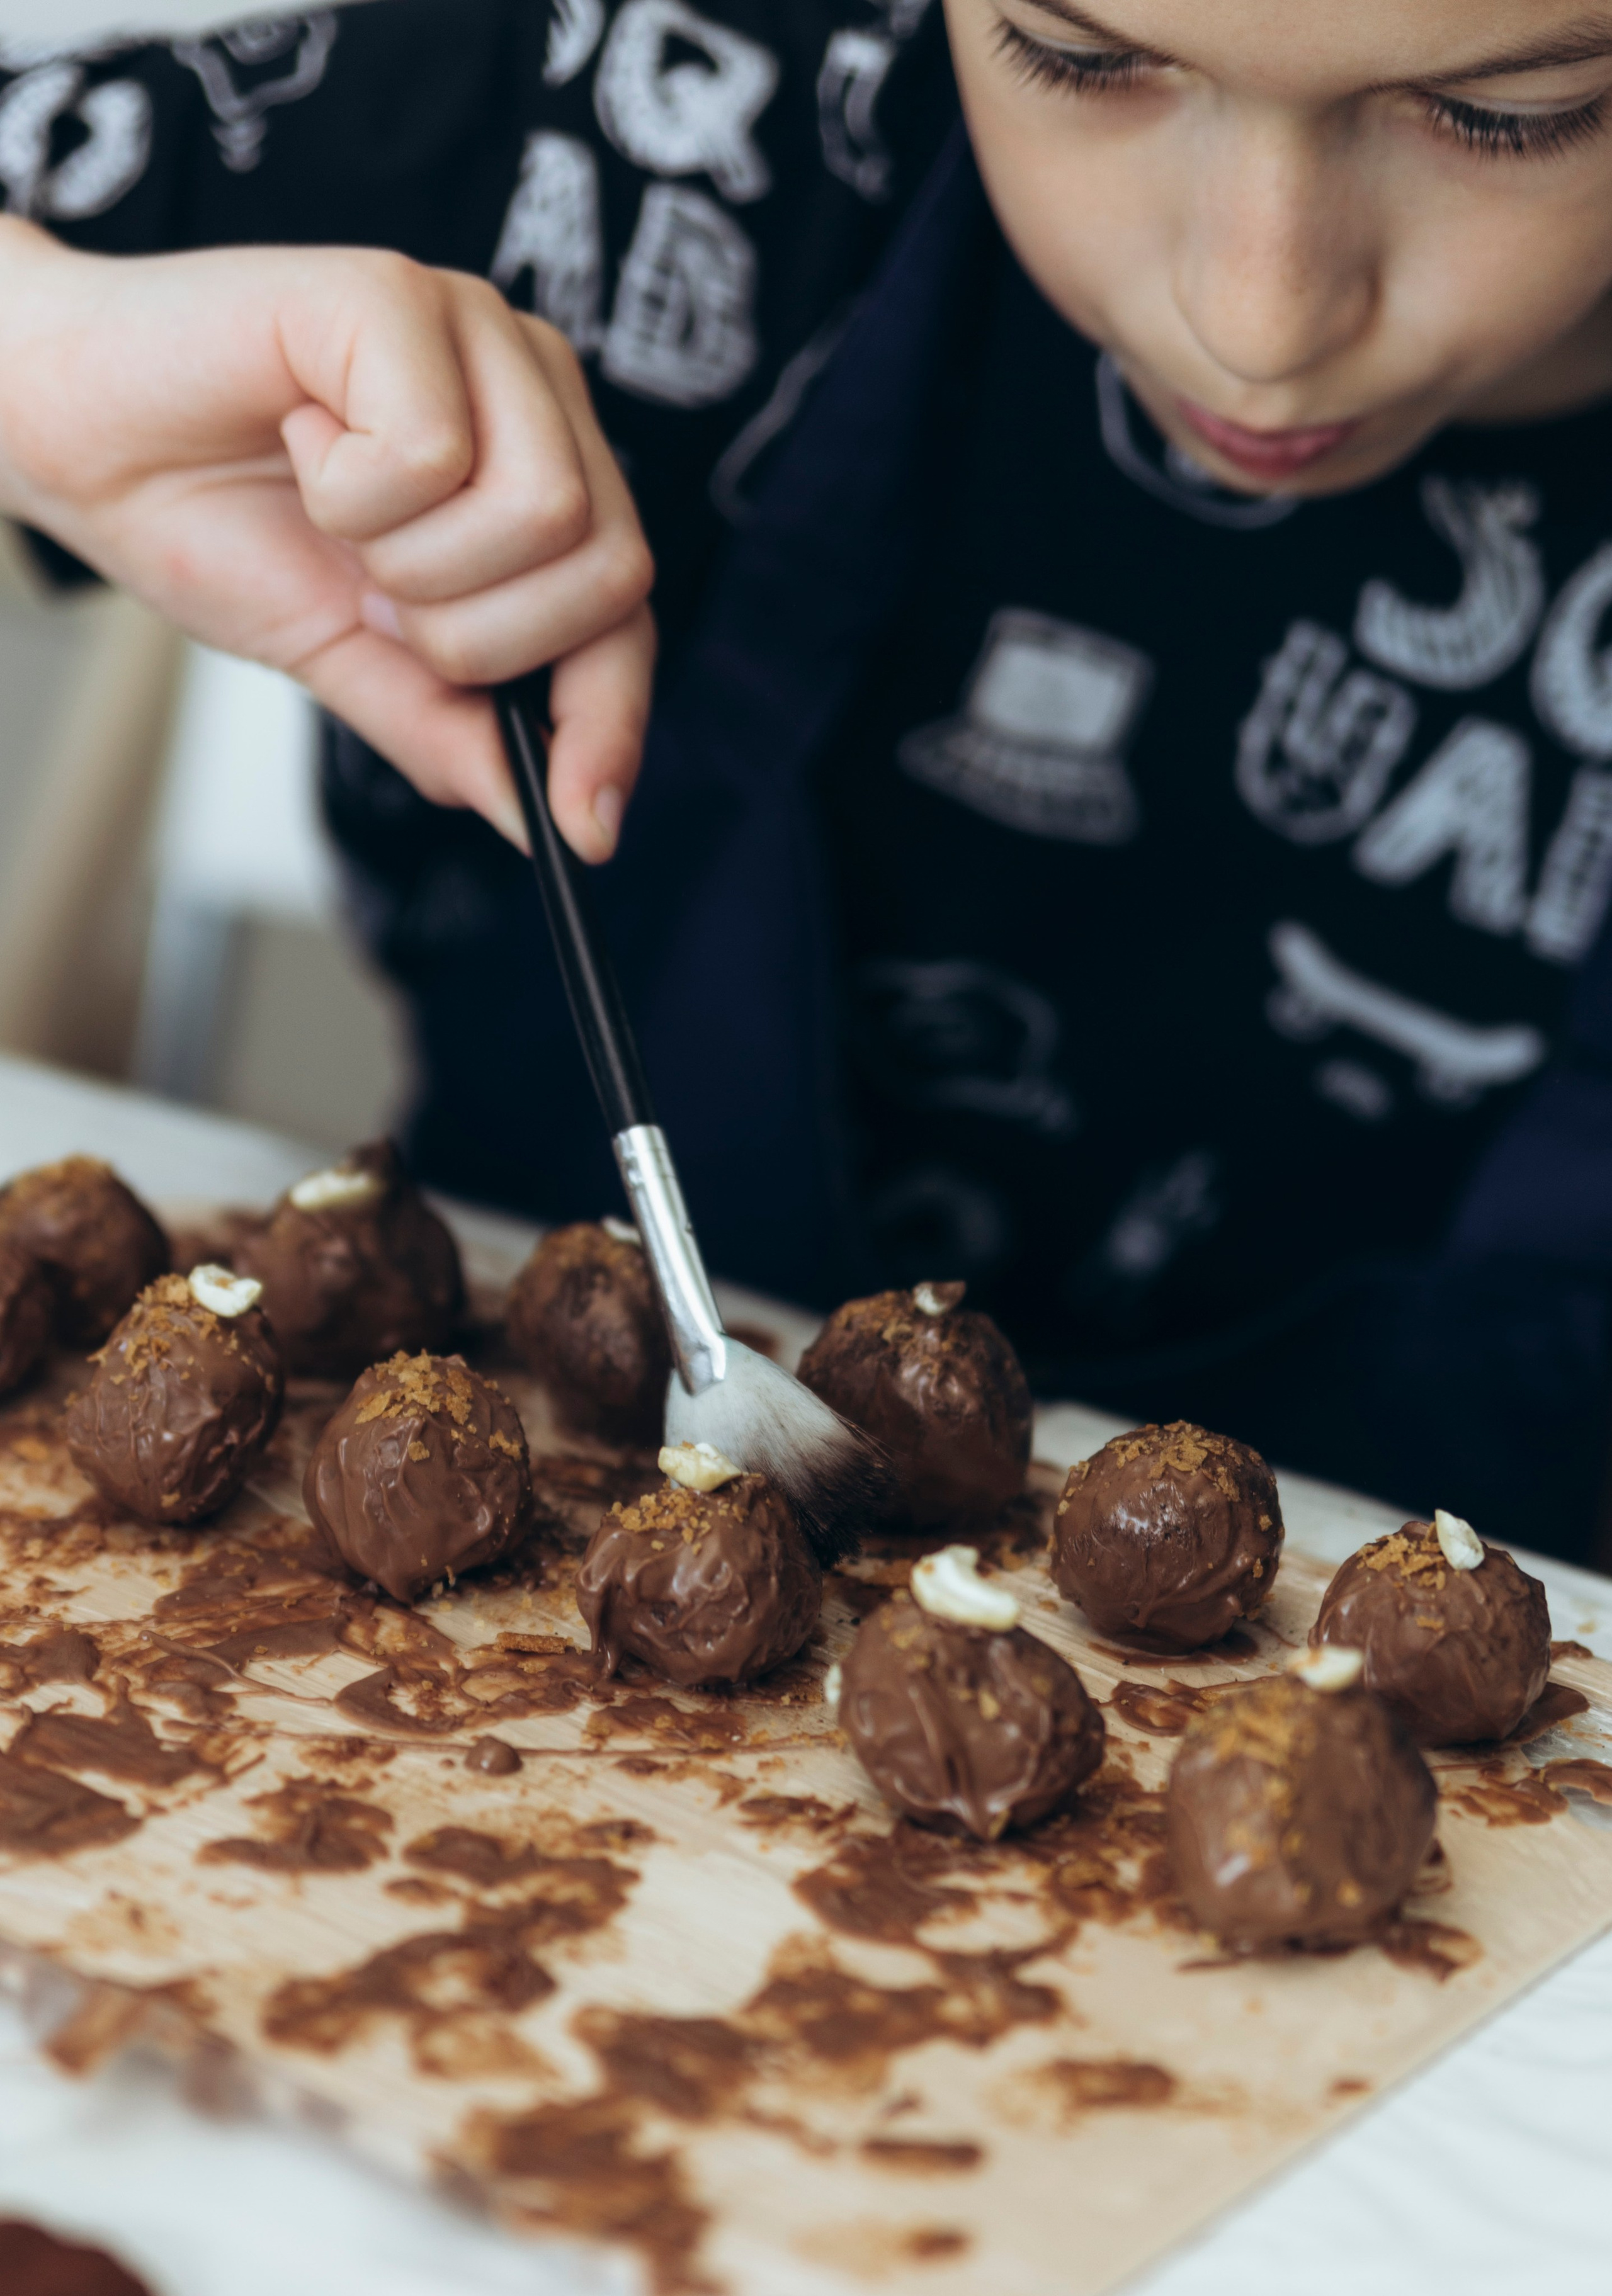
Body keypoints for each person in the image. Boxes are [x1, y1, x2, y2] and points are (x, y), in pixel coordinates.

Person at [1, 0, 1609, 1556]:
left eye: (1504, 114)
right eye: (1078, 56)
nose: (1259, 324)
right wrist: (49, 364)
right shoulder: (671, 120)